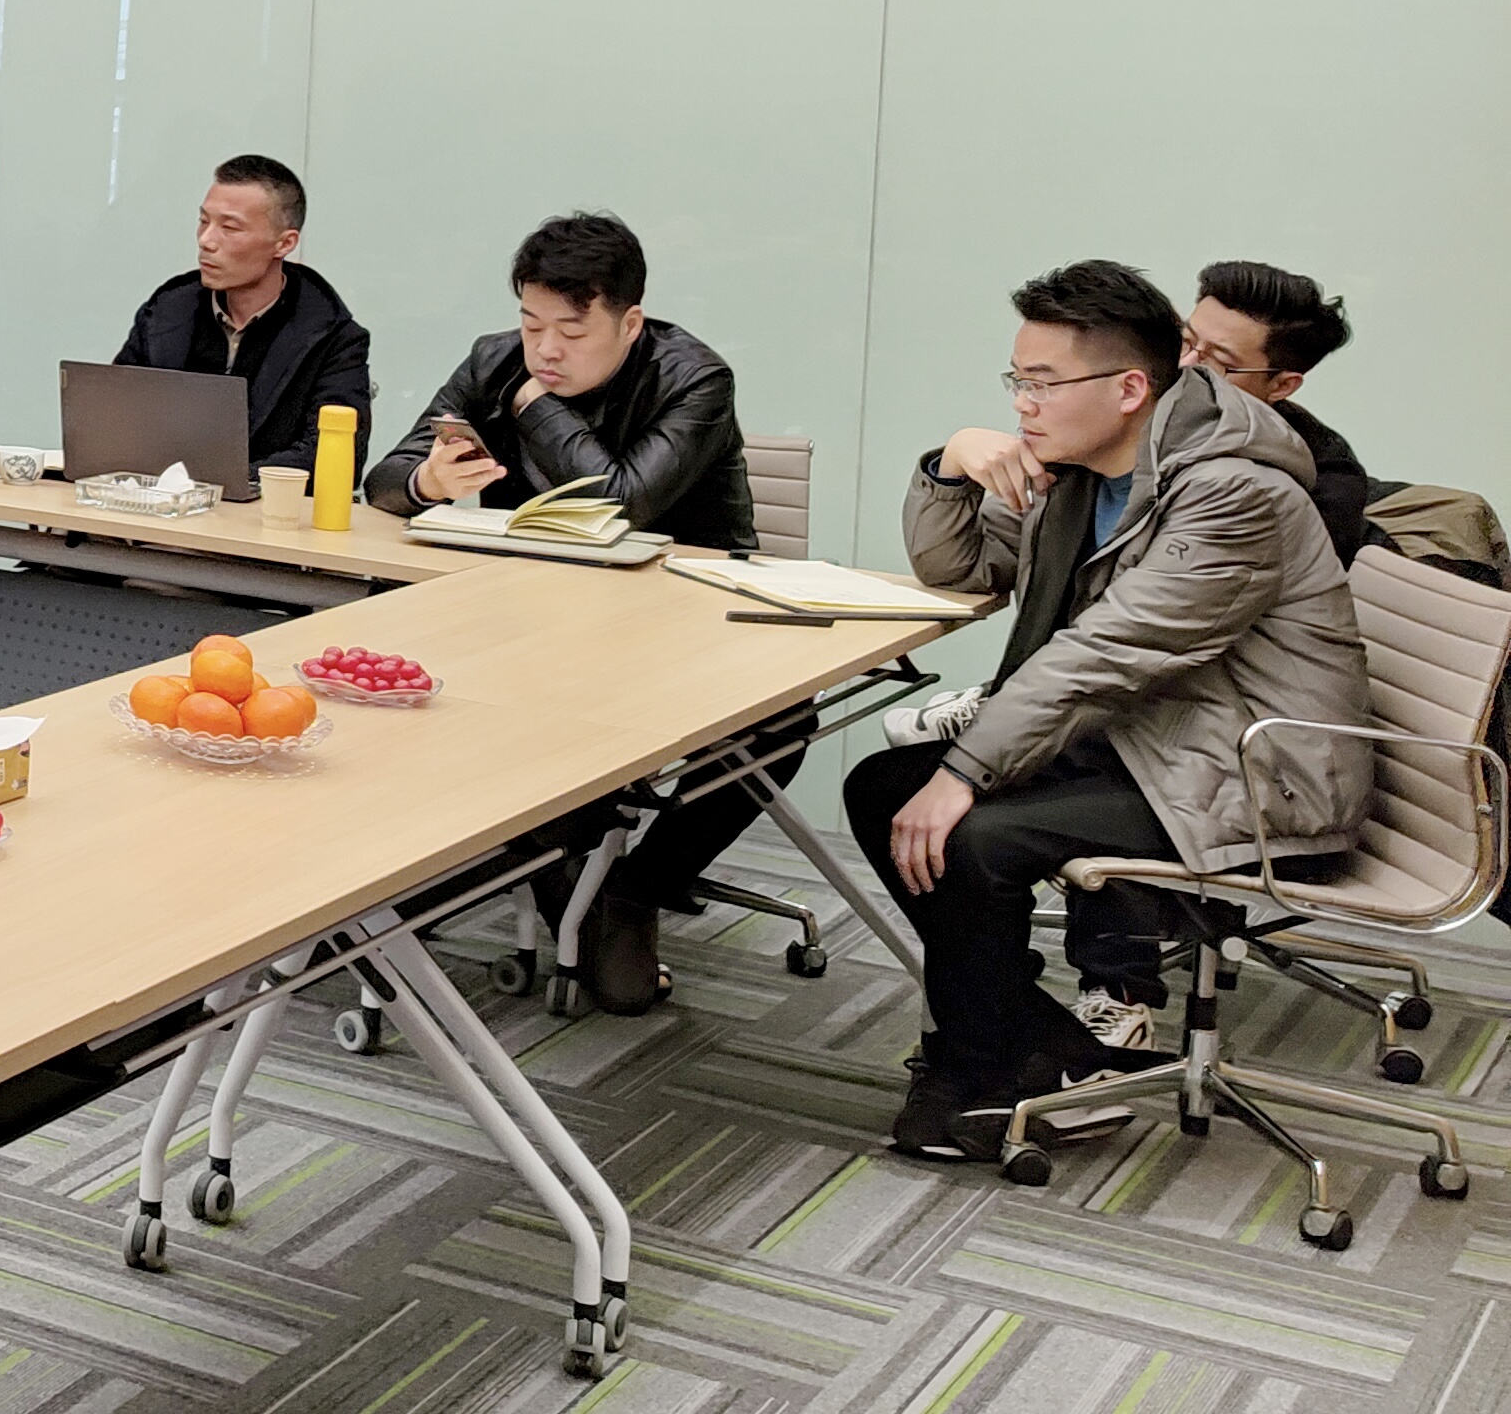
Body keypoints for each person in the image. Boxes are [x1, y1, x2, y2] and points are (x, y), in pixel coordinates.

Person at [849, 259, 1369, 1163]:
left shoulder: (1232, 493)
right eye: (1017, 380)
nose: (1024, 404)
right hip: (1152, 744)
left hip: (1257, 778)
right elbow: (961, 568)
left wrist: (965, 770)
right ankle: (1045, 1054)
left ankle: (988, 1070)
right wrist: (949, 465)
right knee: (881, 787)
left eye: (1043, 383)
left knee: (972, 835)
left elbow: (1105, 654)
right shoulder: (1083, 470)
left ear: (1130, 389)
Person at [367, 213, 760, 1014]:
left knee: (780, 726)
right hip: (533, 615)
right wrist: (428, 483)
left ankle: (635, 887)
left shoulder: (695, 379)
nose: (544, 349)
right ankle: (532, 869)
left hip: (680, 622)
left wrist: (531, 404)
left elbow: (618, 503)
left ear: (631, 322)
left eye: (571, 332)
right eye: (531, 323)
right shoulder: (494, 357)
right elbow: (385, 479)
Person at [107, 153, 373, 476]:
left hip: (265, 506)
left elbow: (334, 457)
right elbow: (113, 422)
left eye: (230, 228)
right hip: (159, 501)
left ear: (284, 243)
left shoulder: (332, 337)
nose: (206, 241)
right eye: (203, 221)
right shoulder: (166, 313)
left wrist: (225, 482)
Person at [1182, 260, 1375, 562]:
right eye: (1185, 341)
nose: (1184, 365)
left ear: (1281, 386)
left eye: (1218, 361)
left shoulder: (1320, 485)